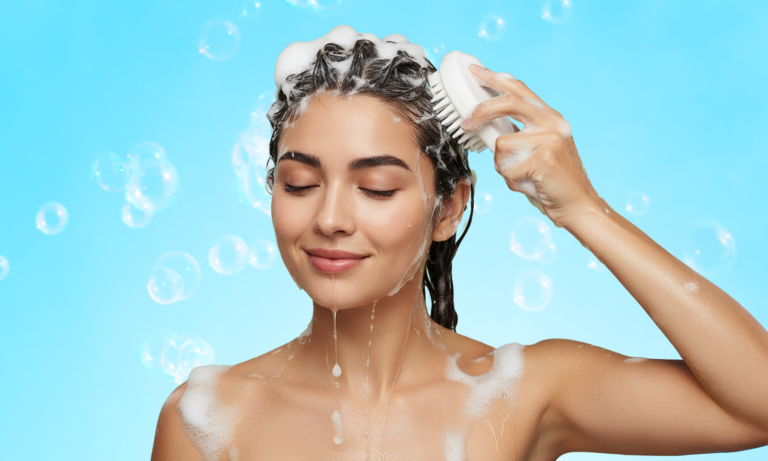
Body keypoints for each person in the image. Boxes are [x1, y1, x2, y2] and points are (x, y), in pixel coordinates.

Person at [150, 26, 768, 461]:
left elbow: (757, 406)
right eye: (300, 182)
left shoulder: (523, 393)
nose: (330, 218)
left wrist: (584, 210)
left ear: (448, 207)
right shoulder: (206, 419)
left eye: (378, 188)